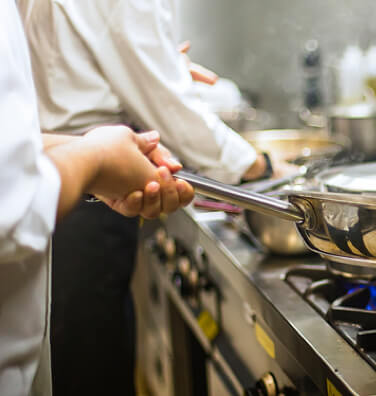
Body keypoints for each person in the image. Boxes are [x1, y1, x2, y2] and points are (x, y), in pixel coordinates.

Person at [17, 1, 294, 394]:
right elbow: (169, 104)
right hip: (73, 187)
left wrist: (158, 70)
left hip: (68, 167)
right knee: (91, 361)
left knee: (80, 349)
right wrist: (259, 166)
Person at [0, 2, 193, 395]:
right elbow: (10, 206)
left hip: (69, 178)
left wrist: (88, 153)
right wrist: (96, 157)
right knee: (92, 357)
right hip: (66, 195)